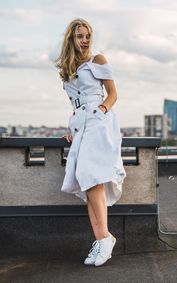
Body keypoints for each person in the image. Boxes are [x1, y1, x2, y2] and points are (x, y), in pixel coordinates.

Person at [55, 18, 126, 267]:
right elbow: (75, 104)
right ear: (71, 39)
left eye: (87, 36)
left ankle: (105, 238)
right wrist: (73, 128)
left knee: (91, 176)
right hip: (80, 126)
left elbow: (113, 93)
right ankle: (100, 240)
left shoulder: (98, 60)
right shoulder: (68, 69)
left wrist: (100, 113)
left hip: (98, 121)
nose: (84, 41)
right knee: (86, 182)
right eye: (79, 37)